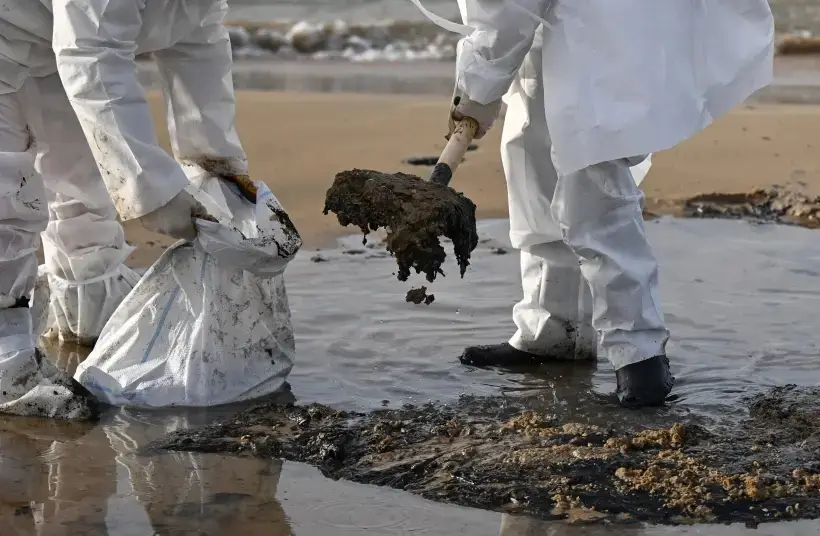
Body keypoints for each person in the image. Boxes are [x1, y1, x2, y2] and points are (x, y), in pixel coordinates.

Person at [415, 0, 774, 407]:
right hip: (566, 18)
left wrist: (476, 90)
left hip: (601, 21)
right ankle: (553, 326)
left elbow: (506, 10)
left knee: (592, 170)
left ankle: (641, 355)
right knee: (534, 150)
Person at [0, 0, 247, 419]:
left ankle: (89, 298)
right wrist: (150, 191)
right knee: (8, 189)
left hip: (46, 39)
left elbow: (196, 36)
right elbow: (93, 50)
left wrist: (216, 168)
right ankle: (5, 358)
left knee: (80, 169)